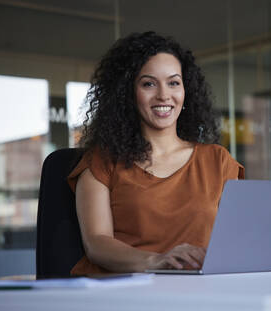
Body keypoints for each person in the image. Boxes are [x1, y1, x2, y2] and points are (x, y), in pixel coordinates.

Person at [67, 31, 244, 275]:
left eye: (173, 83)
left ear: (186, 91)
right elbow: (97, 243)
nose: (163, 95)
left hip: (202, 291)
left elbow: (237, 241)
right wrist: (158, 260)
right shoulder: (102, 162)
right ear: (128, 93)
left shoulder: (218, 160)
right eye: (149, 83)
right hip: (126, 292)